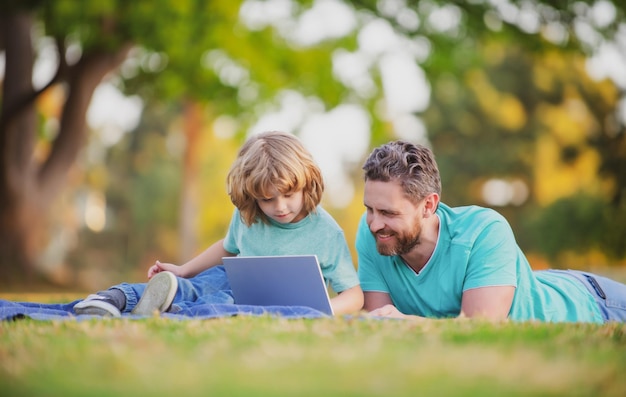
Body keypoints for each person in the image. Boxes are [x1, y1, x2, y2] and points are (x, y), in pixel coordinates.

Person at [75, 131, 363, 317]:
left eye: (288, 195)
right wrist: (184, 269)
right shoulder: (250, 215)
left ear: (306, 185)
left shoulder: (326, 232)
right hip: (233, 281)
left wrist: (321, 311)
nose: (279, 207)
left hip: (276, 304)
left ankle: (170, 311)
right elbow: (227, 248)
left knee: (223, 304)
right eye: (266, 199)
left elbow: (353, 294)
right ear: (253, 197)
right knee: (191, 285)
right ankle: (112, 299)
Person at [356, 140, 626, 323]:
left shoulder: (484, 231)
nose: (375, 223)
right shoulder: (373, 233)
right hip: (536, 279)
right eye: (370, 209)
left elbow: (479, 326)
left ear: (428, 205)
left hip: (595, 304)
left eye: (389, 213)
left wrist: (406, 322)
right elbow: (380, 319)